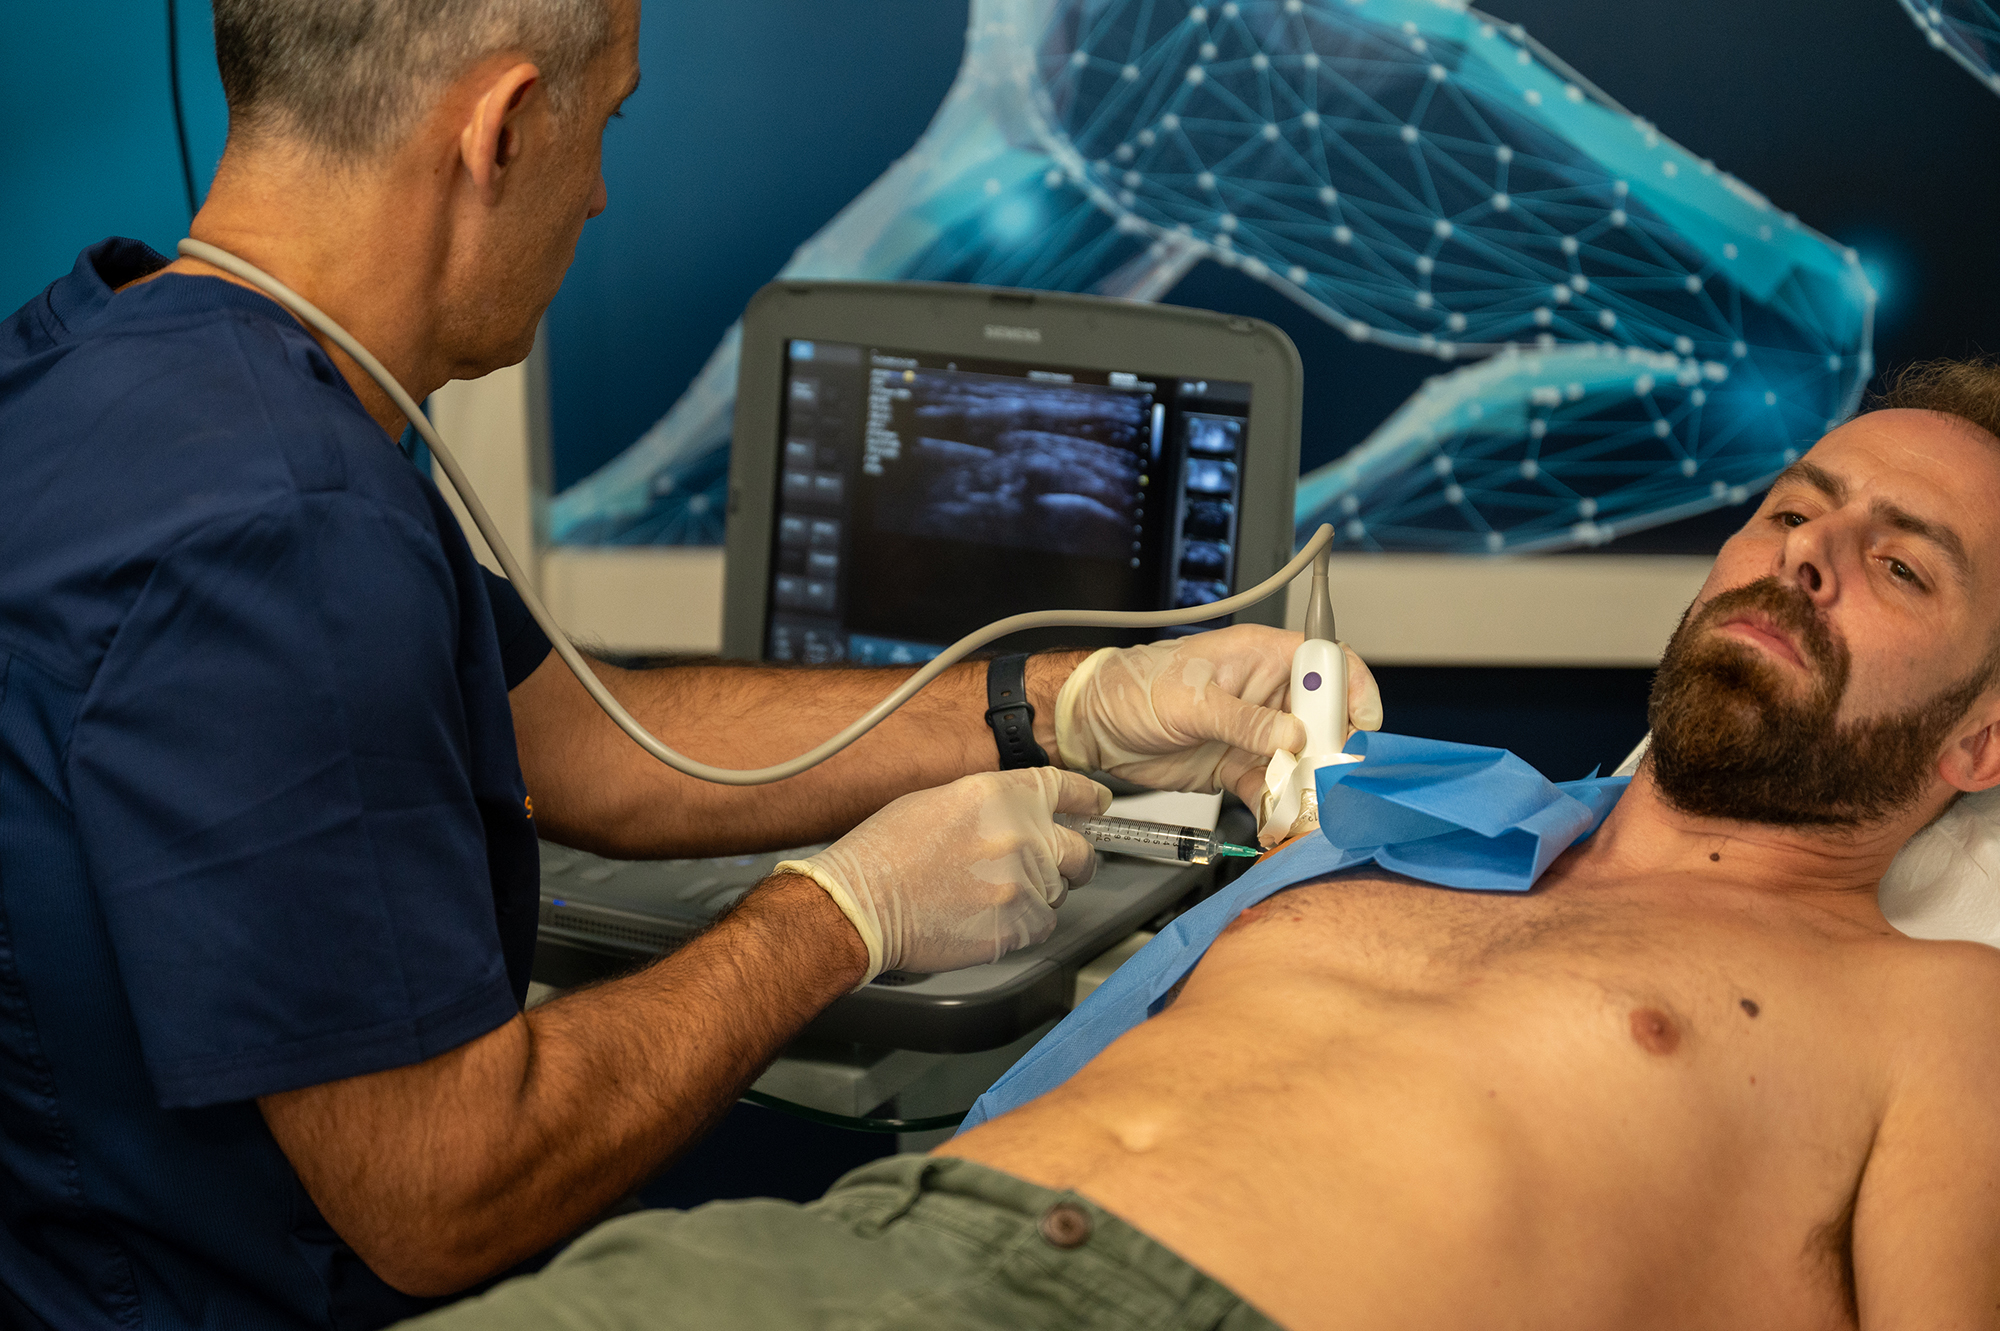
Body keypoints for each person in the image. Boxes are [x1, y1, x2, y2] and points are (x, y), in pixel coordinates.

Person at [0, 2, 1374, 1328]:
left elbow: (595, 742)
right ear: (504, 130)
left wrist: (1067, 705)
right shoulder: (284, 526)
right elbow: (446, 1190)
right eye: (606, 122)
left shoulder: (105, 368)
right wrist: (843, 915)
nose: (600, 194)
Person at [399, 361, 2000, 1331]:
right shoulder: (1413, 830)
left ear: (1984, 743)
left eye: (1902, 567)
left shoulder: (1935, 1015)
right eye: (1794, 508)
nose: (1806, 557)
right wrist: (1086, 717)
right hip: (823, 1255)